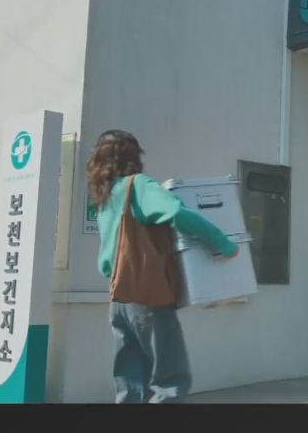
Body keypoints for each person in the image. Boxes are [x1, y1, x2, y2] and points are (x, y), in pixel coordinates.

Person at [87, 129, 239, 404]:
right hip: (148, 296)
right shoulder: (138, 185)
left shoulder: (106, 197)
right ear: (133, 156)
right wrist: (222, 242)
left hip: (118, 300)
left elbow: (106, 263)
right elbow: (177, 213)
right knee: (170, 380)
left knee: (130, 383)